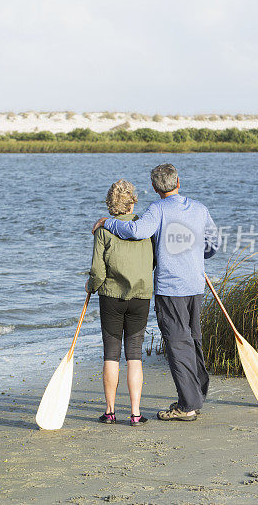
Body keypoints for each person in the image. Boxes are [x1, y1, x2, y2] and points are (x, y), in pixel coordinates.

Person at [92, 164, 219, 422]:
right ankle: (196, 396)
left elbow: (137, 231)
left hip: (171, 288)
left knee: (177, 343)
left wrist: (109, 222)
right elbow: (213, 244)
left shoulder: (157, 210)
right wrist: (197, 255)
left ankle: (187, 405)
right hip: (195, 285)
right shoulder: (199, 208)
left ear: (154, 187)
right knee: (193, 339)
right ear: (178, 182)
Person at [86, 179, 154, 426]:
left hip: (111, 297)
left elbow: (97, 271)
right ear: (132, 201)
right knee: (134, 355)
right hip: (141, 296)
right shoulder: (145, 227)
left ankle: (110, 411)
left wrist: (91, 286)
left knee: (111, 355)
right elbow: (153, 261)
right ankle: (135, 413)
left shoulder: (103, 230)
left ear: (110, 204)